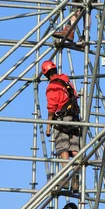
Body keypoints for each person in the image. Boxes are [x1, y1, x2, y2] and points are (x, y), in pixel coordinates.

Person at [41, 60, 80, 192]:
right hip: (74, 117)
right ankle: (76, 177)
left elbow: (52, 107)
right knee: (75, 149)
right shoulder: (67, 81)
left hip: (62, 118)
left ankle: (64, 178)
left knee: (63, 148)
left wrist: (48, 125)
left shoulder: (52, 86)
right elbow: (75, 96)